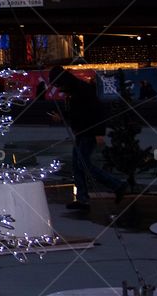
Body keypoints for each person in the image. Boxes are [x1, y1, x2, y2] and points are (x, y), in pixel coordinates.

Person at [49, 66, 127, 210]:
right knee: (78, 166)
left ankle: (117, 185)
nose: (58, 88)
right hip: (81, 132)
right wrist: (63, 117)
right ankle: (83, 199)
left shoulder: (82, 90)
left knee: (83, 165)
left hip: (88, 132)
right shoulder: (74, 91)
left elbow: (95, 112)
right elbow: (76, 113)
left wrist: (98, 133)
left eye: (58, 84)